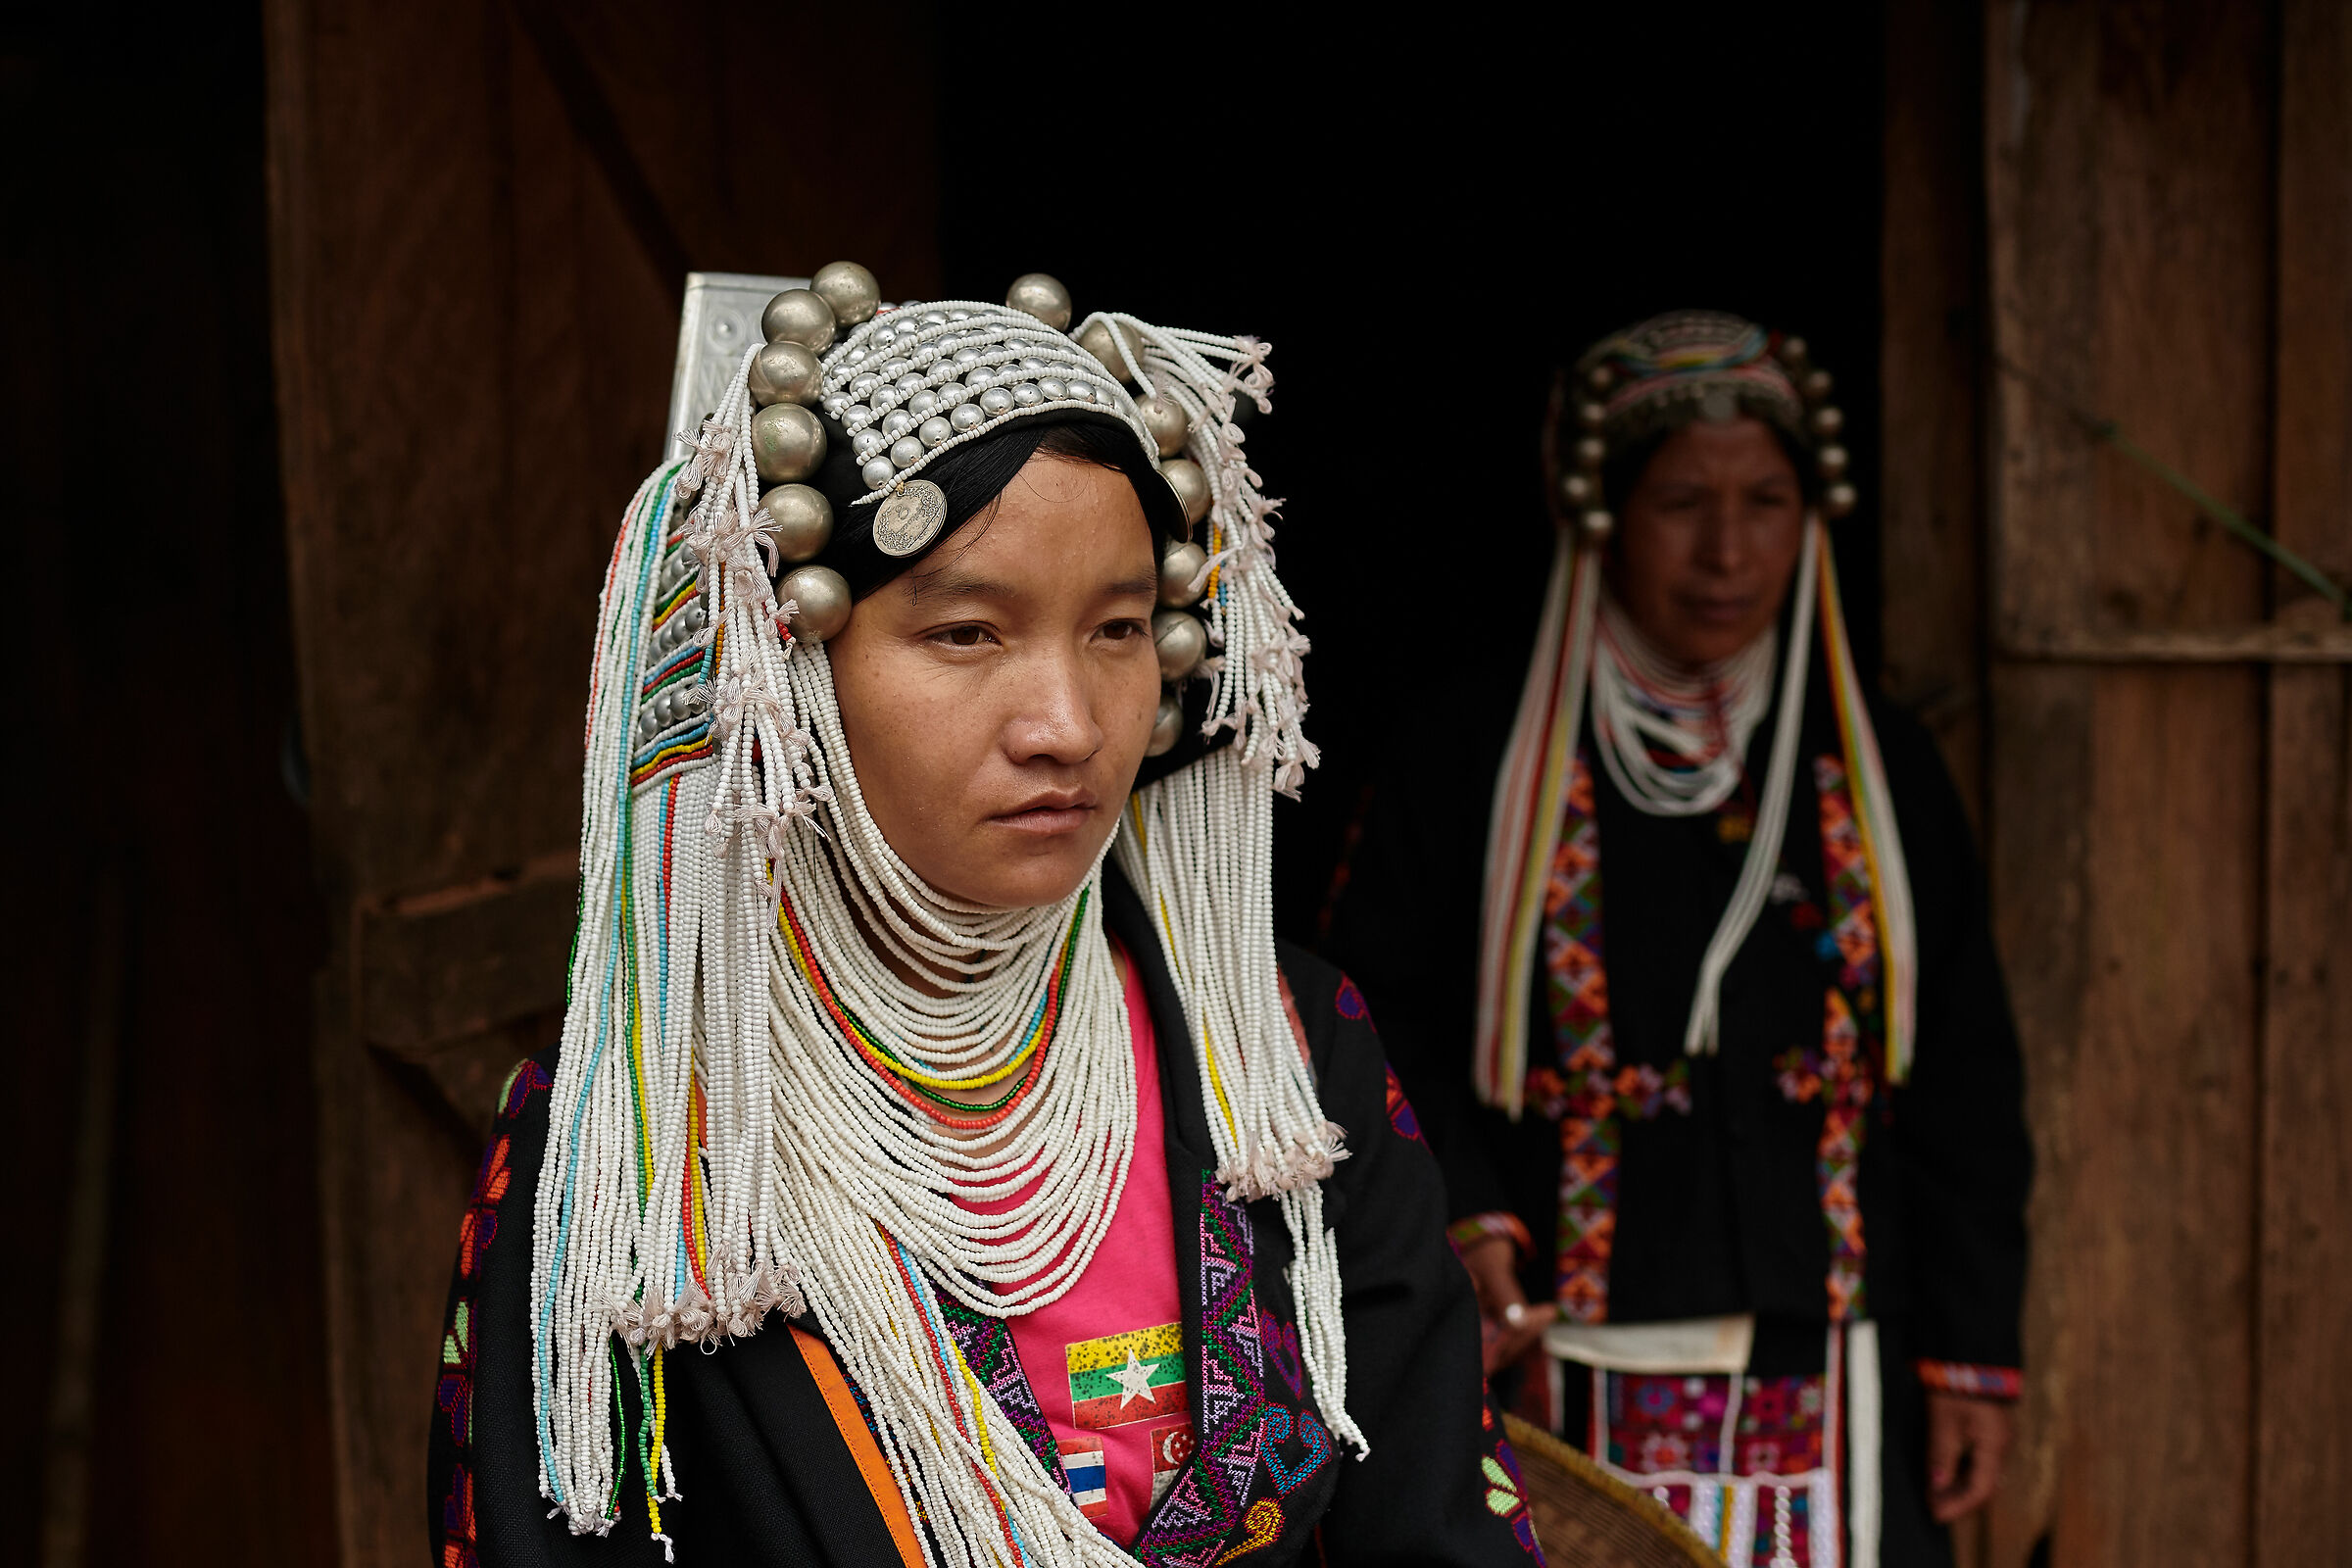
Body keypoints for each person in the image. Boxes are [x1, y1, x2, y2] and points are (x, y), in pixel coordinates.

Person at [425, 265, 1544, 1568]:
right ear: (790, 671)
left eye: (1120, 630)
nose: (1066, 725)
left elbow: (1437, 1525)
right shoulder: (640, 1136)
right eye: (966, 634)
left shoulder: (1285, 1058)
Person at [1324, 312, 2031, 1568]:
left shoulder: (1874, 769)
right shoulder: (1474, 758)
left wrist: (1972, 1349)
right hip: (1571, 1368)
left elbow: (1963, 1070)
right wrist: (1469, 1216)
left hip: (1847, 1365)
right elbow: (1368, 1015)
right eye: (1682, 501)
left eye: (1767, 501)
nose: (1728, 550)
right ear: (1599, 512)